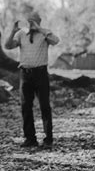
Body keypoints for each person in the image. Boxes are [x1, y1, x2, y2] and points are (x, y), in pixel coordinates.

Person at [5, 11, 59, 148]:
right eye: (29, 21)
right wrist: (12, 31)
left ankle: (48, 139)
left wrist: (39, 29)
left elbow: (56, 41)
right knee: (25, 106)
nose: (31, 23)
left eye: (34, 21)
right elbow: (8, 46)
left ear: (39, 21)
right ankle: (30, 138)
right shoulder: (21, 34)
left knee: (44, 106)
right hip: (25, 74)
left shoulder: (45, 33)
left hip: (40, 73)